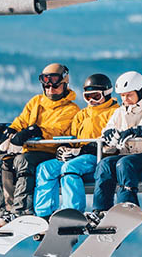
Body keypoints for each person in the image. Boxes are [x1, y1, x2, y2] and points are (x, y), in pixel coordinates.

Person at [0, 62, 81, 230]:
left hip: (48, 151)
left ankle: (21, 209)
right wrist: (11, 131)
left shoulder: (71, 109)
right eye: (47, 86)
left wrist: (31, 132)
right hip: (29, 150)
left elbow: (55, 130)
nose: (50, 90)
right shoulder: (36, 102)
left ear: (65, 84)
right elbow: (21, 120)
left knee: (22, 161)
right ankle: (1, 212)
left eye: (55, 87)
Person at [88, 70, 142, 224]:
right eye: (122, 95)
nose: (125, 99)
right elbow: (108, 134)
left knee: (124, 164)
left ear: (140, 92)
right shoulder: (120, 113)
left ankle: (128, 207)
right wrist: (109, 137)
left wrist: (140, 131)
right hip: (132, 155)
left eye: (129, 95)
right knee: (105, 165)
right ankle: (101, 211)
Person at [33, 73, 119, 217]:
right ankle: (44, 214)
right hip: (78, 154)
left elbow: (109, 142)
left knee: (70, 167)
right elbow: (72, 137)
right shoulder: (82, 114)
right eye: (87, 97)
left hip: (97, 156)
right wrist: (63, 148)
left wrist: (81, 150)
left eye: (96, 96)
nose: (91, 100)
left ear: (106, 93)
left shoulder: (114, 112)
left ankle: (72, 211)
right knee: (45, 168)